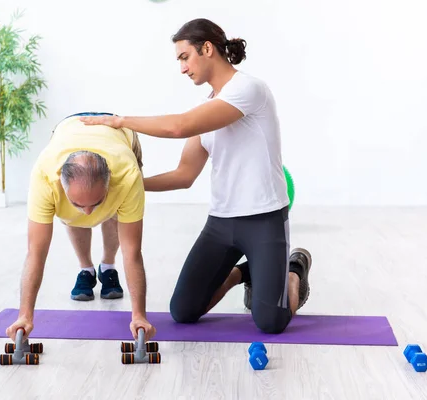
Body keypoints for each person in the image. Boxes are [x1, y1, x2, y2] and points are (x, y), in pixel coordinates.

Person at [79, 18, 313, 334]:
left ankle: (294, 269)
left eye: (184, 57)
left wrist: (119, 121)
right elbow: (184, 175)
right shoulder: (207, 108)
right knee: (183, 311)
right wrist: (127, 186)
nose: (182, 68)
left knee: (270, 322)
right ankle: (243, 273)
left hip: (265, 219)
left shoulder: (248, 89)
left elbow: (179, 126)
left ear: (207, 48)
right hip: (221, 223)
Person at [5, 112, 155, 342]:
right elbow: (36, 252)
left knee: (117, 211)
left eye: (97, 202)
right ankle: (86, 270)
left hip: (119, 136)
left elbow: (133, 251)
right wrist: (24, 315)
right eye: (77, 203)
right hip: (68, 125)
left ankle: (108, 267)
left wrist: (139, 316)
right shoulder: (44, 176)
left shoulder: (126, 175)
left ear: (110, 182)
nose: (88, 213)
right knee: (72, 214)